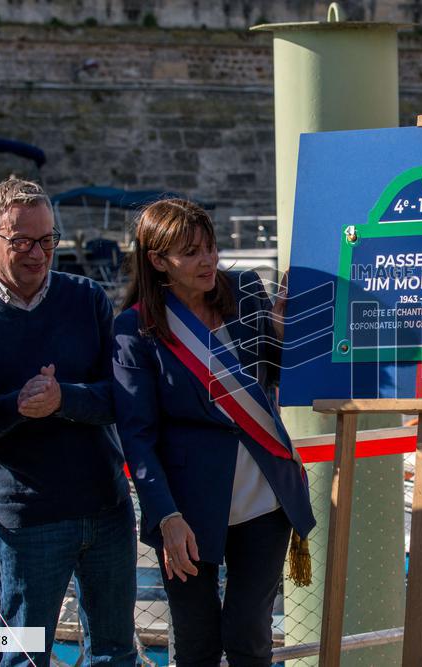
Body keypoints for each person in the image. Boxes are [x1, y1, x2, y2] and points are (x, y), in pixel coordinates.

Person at [112, 199, 315, 666]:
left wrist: (282, 334)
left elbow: (277, 375)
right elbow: (137, 436)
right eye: (191, 252)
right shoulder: (135, 329)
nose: (208, 261)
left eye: (211, 247)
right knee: (197, 641)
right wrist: (165, 516)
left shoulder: (245, 290)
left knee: (249, 636)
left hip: (265, 496)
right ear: (158, 261)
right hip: (187, 511)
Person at [0, 178, 136, 666]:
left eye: (47, 240)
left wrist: (64, 399)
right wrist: (17, 405)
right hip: (27, 520)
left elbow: (121, 399)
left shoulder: (86, 297)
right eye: (22, 241)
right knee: (22, 657)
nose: (38, 254)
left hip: (106, 507)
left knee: (116, 654)